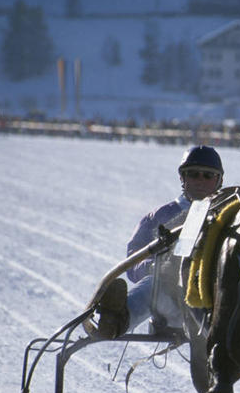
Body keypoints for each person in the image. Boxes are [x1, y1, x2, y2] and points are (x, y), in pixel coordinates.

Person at [95, 145, 224, 339]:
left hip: (215, 304)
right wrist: (153, 266)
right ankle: (114, 321)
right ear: (183, 178)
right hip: (172, 305)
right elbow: (133, 261)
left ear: (219, 180)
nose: (200, 181)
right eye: (193, 174)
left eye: (208, 175)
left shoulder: (229, 214)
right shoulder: (160, 216)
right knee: (154, 283)